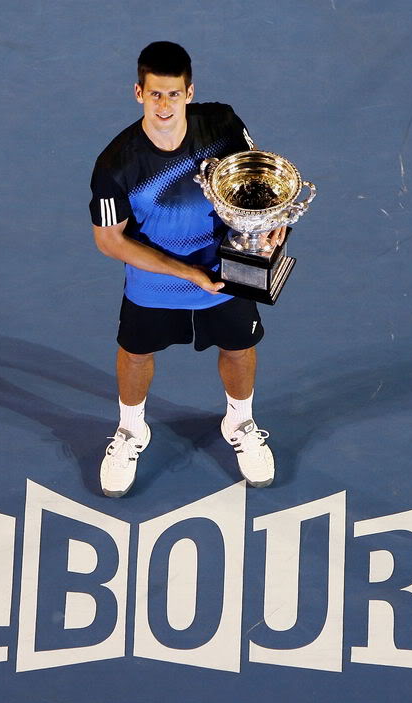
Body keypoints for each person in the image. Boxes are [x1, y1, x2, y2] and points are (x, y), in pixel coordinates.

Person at [89, 41, 285, 498]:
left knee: (239, 346)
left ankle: (240, 421)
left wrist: (270, 226)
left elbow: (256, 181)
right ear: (138, 92)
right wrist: (185, 273)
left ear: (190, 92)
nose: (164, 105)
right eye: (155, 94)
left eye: (173, 94)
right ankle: (132, 432)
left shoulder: (222, 125)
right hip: (154, 278)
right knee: (136, 353)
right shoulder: (115, 164)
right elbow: (109, 239)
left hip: (226, 263)